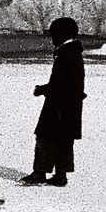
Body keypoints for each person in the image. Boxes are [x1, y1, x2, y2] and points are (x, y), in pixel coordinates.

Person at [20, 17, 85, 188]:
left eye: (54, 35)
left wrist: (56, 105)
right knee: (64, 139)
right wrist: (44, 89)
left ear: (63, 35)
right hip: (68, 106)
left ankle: (40, 172)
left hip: (59, 105)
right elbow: (64, 83)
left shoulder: (67, 55)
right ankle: (60, 175)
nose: (52, 39)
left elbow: (65, 85)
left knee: (45, 137)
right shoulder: (71, 52)